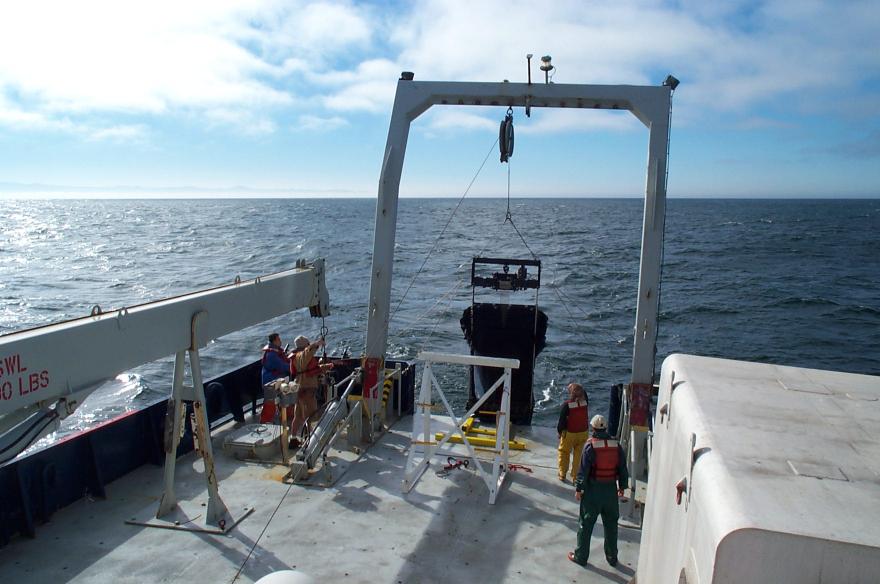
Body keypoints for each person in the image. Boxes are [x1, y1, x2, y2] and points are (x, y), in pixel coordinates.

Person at [569, 414, 629, 568]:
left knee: (586, 524)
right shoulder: (616, 446)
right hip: (610, 491)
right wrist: (622, 486)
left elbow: (583, 471)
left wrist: (579, 489)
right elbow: (623, 468)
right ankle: (612, 557)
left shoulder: (590, 446)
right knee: (611, 525)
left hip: (593, 491)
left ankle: (581, 556)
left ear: (593, 428)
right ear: (605, 428)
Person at [289, 335, 333, 445]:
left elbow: (310, 370)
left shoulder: (296, 357)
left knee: (298, 415)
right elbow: (308, 351)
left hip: (299, 388)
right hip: (307, 389)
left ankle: (293, 438)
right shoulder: (302, 355)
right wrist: (318, 343)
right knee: (310, 416)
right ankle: (311, 442)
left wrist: (327, 366)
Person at [557, 382, 589, 482]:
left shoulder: (566, 405)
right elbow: (584, 395)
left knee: (564, 452)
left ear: (571, 393)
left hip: (569, 433)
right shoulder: (585, 403)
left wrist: (559, 432)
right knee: (578, 456)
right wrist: (579, 389)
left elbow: (561, 421)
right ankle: (576, 477)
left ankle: (562, 474)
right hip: (583, 433)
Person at [259, 333, 293, 424]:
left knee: (286, 399)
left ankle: (287, 417)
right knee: (270, 405)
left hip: (279, 380)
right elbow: (283, 366)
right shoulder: (272, 355)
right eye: (279, 340)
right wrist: (294, 365)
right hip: (270, 383)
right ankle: (265, 423)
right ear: (274, 341)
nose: (280, 341)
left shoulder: (275, 352)